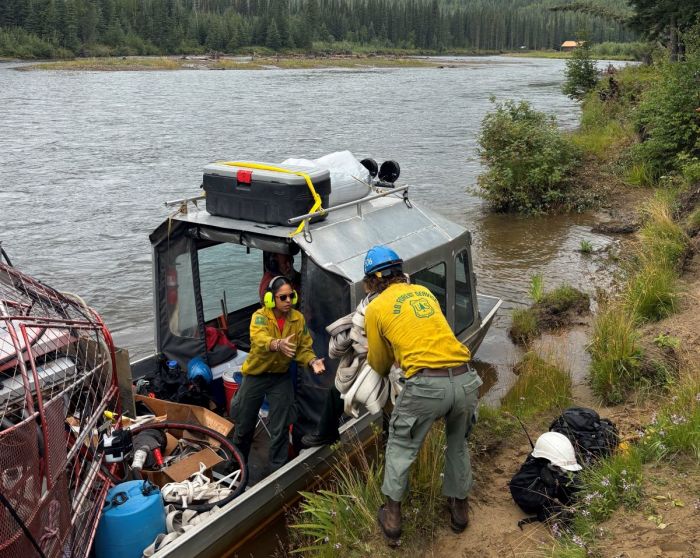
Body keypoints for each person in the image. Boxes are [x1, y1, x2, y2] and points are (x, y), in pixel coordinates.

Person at [362, 245, 481, 543]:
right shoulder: (425, 293)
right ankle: (460, 513)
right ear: (401, 273)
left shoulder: (375, 308)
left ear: (371, 282)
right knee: (457, 444)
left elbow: (378, 362)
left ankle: (391, 519)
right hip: (465, 377)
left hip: (427, 385)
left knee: (401, 446)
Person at [230, 276, 325, 472]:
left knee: (280, 428)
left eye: (291, 296)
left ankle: (277, 471)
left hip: (280, 377)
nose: (288, 300)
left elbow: (304, 348)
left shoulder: (298, 319)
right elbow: (259, 339)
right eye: (283, 297)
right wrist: (277, 344)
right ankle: (237, 467)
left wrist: (312, 361)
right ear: (271, 299)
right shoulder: (260, 317)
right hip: (256, 376)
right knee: (244, 425)